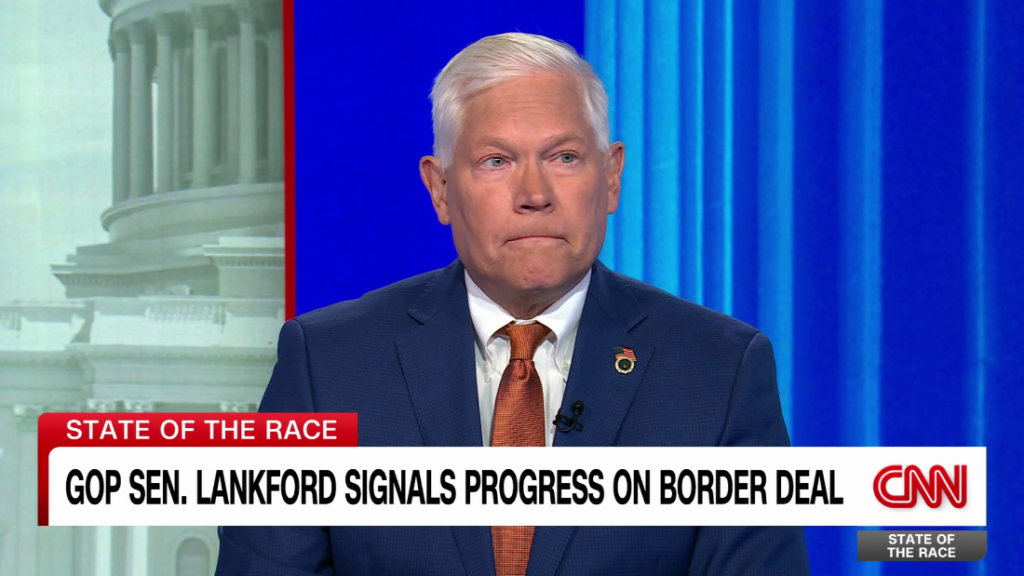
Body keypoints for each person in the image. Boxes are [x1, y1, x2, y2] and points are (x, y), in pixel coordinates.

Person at [217, 32, 810, 576]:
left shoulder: (719, 372)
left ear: (611, 177)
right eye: (496, 161)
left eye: (564, 157)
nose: (534, 195)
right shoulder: (326, 365)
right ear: (440, 188)